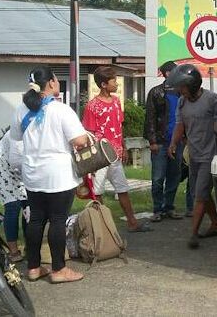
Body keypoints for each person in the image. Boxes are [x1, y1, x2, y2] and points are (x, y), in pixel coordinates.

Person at [11, 66, 87, 284]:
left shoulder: (20, 110)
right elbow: (80, 141)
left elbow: (16, 139)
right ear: (52, 83)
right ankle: (58, 269)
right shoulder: (61, 110)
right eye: (56, 79)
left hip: (32, 174)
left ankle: (33, 268)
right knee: (57, 220)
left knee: (36, 219)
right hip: (58, 175)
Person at [83, 67, 151, 233]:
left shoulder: (116, 102)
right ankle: (104, 226)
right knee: (97, 192)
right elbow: (89, 133)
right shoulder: (92, 106)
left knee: (122, 188)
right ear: (104, 84)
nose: (117, 84)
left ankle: (132, 222)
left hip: (116, 155)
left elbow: (119, 126)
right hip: (100, 156)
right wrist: (90, 161)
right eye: (113, 81)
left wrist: (124, 147)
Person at [167, 64, 217, 249]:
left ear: (191, 85)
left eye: (181, 87)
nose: (178, 90)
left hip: (210, 155)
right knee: (200, 193)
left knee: (200, 194)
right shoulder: (182, 103)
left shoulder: (212, 100)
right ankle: (216, 224)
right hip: (194, 154)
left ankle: (193, 233)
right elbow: (180, 125)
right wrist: (174, 143)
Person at [144, 61, 186, 221]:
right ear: (168, 73)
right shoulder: (156, 92)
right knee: (158, 178)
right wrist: (152, 141)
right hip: (161, 142)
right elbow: (150, 118)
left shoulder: (182, 92)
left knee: (174, 175)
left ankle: (169, 207)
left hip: (178, 142)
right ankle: (157, 209)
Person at [0, 129, 27, 263]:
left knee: (28, 207)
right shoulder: (17, 134)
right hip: (3, 169)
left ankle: (30, 247)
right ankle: (14, 251)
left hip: (19, 169)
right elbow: (17, 160)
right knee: (13, 207)